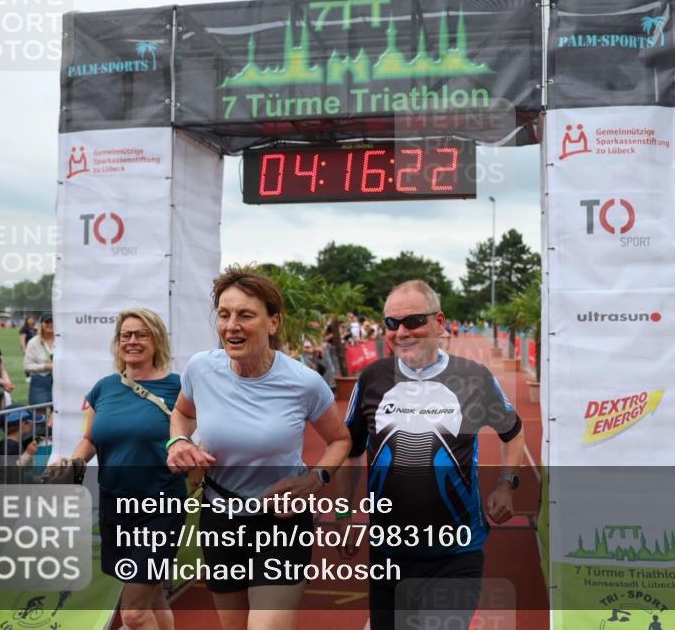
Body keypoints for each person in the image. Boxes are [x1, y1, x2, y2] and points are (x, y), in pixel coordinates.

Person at [166, 266, 351, 630]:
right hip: (220, 519)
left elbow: (340, 439)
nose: (232, 326)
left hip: (282, 523)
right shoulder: (201, 368)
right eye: (224, 315)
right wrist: (179, 441)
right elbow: (183, 414)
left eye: (246, 315)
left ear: (273, 322)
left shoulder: (303, 383)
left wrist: (315, 479)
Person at [335, 280, 526, 630]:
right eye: (392, 323)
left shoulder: (474, 378)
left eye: (413, 321)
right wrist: (344, 512)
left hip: (456, 554)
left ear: (439, 322)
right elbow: (351, 449)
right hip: (388, 554)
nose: (401, 332)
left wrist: (505, 484)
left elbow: (513, 433)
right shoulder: (372, 378)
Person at [54, 308, 184, 630]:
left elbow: (196, 436)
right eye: (126, 335)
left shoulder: (178, 388)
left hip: (159, 507)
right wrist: (73, 463)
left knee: (134, 614)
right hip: (116, 506)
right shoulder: (104, 388)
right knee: (153, 596)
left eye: (141, 334)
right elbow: (90, 439)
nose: (132, 341)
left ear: (156, 340)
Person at [23, 313, 54, 406]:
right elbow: (27, 366)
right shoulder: (33, 342)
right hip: (40, 380)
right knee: (39, 412)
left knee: (60, 412)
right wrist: (45, 366)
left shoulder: (62, 341)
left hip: (60, 381)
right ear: (41, 324)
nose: (50, 324)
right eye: (47, 322)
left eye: (52, 322)